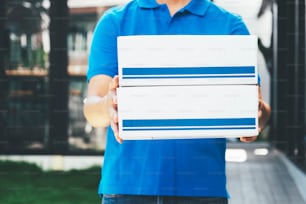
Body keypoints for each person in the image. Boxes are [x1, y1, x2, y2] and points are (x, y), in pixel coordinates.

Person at [83, 0, 271, 203]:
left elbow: (258, 107)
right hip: (128, 188)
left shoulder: (229, 25)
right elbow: (93, 108)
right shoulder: (115, 22)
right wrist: (107, 106)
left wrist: (253, 117)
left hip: (202, 189)